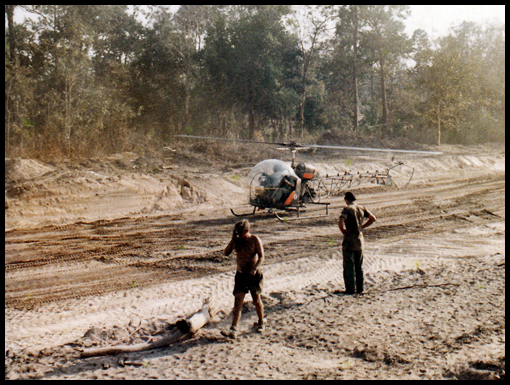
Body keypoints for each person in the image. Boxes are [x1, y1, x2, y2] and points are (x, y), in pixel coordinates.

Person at [222, 220, 265, 338]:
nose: (239, 235)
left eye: (241, 233)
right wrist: (233, 239)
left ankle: (261, 322)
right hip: (241, 275)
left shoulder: (254, 239)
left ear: (247, 231)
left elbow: (261, 256)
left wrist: (255, 268)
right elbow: (226, 253)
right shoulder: (236, 241)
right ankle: (233, 329)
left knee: (256, 299)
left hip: (253, 275)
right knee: (238, 302)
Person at [338, 191, 376, 294]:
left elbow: (341, 221)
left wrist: (343, 231)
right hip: (359, 240)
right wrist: (362, 227)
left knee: (349, 266)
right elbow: (373, 219)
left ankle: (350, 289)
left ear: (346, 199)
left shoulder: (347, 209)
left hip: (349, 240)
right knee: (359, 266)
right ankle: (360, 288)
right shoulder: (361, 208)